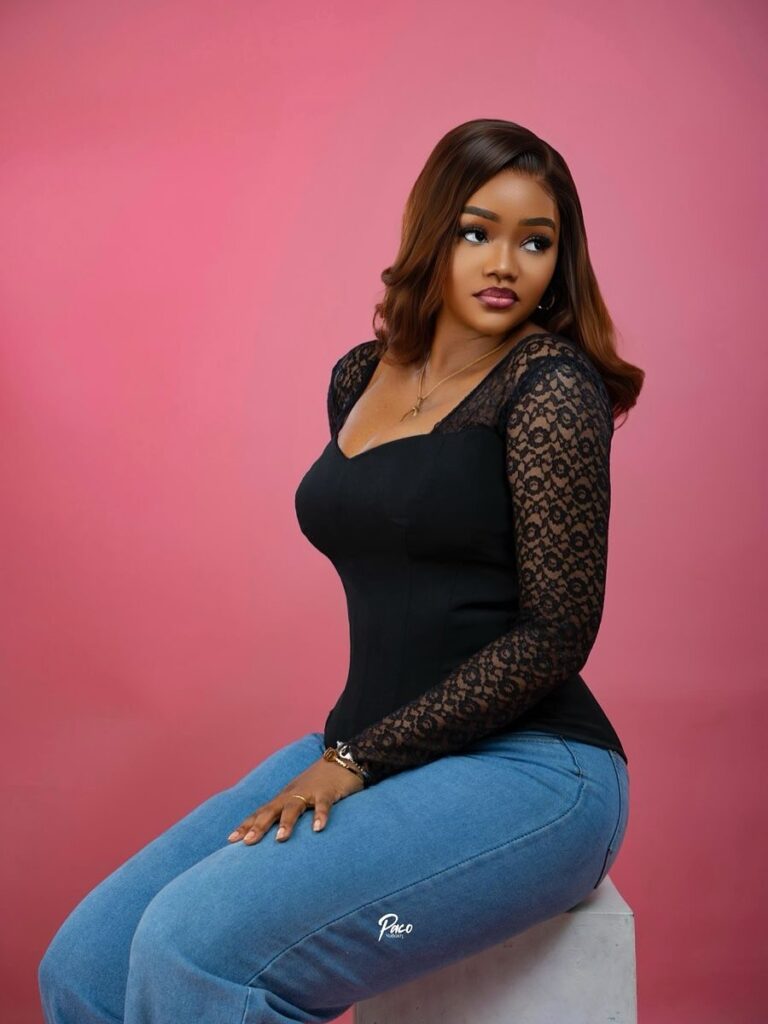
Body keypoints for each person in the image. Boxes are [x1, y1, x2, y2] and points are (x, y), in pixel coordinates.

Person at [38, 118, 644, 1024]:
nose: (504, 264)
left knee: (195, 950)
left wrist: (358, 761)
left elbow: (559, 632)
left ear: (560, 262)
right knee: (85, 963)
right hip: (371, 749)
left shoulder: (549, 384)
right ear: (434, 234)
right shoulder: (362, 377)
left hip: (534, 775)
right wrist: (356, 754)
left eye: (535, 242)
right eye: (477, 232)